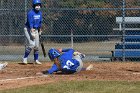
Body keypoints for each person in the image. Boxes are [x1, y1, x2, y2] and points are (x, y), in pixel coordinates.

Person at [22, 0, 43, 65]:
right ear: (34, 6)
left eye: (39, 5)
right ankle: (25, 58)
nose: (38, 6)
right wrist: (32, 30)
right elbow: (30, 22)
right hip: (28, 29)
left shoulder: (40, 13)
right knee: (32, 44)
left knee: (36, 46)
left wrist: (40, 30)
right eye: (36, 5)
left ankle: (36, 59)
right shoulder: (30, 13)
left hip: (36, 29)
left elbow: (40, 22)